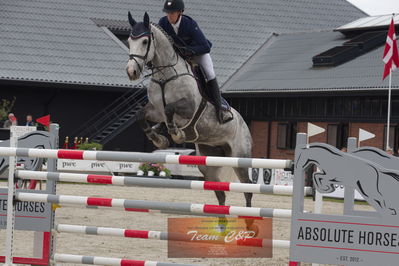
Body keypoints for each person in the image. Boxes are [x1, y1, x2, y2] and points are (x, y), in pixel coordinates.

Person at [158, 0, 232, 123]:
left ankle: (220, 108)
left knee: (210, 74)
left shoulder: (190, 24)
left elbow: (205, 47)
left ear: (180, 12)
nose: (169, 16)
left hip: (198, 53)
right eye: (167, 13)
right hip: (179, 56)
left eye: (172, 13)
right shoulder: (163, 23)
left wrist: (189, 51)